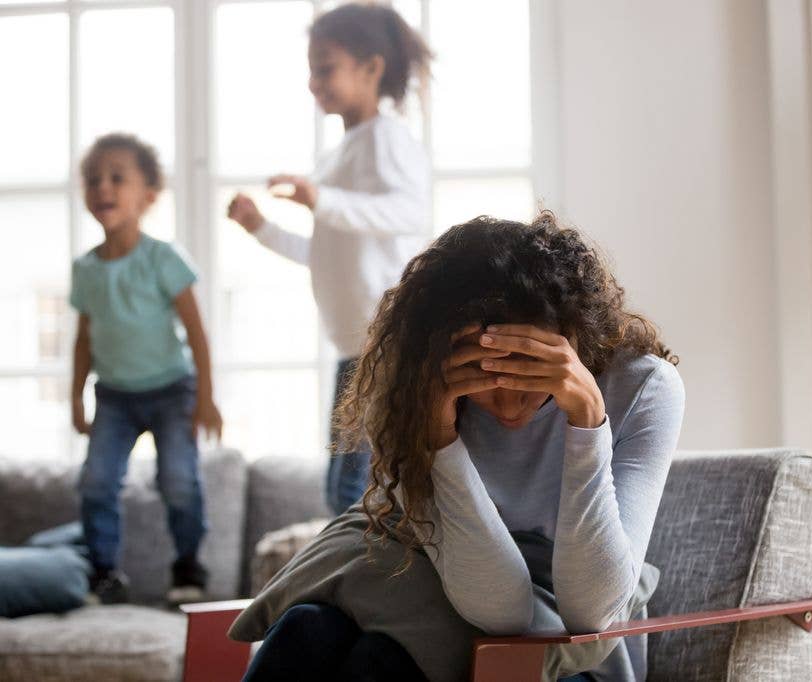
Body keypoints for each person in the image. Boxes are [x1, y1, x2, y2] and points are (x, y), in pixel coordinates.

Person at [233, 213, 686, 681]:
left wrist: (587, 421)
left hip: (572, 648)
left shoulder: (642, 387)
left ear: (571, 338)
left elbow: (590, 613)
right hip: (440, 574)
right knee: (307, 630)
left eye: (529, 373)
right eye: (484, 378)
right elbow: (501, 605)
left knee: (383, 659)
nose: (508, 405)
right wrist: (439, 439)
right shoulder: (412, 387)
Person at [226, 2, 432, 515]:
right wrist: (261, 228)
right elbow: (322, 255)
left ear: (371, 68)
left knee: (352, 489)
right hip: (353, 345)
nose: (314, 83)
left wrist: (321, 199)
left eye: (325, 69)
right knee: (342, 487)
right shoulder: (337, 155)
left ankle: (360, 564)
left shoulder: (386, 137)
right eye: (311, 71)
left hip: (387, 340)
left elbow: (409, 211)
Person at [70, 133, 222, 605]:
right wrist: (75, 397)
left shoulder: (163, 258)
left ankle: (188, 567)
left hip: (172, 391)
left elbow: (196, 332)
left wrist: (205, 398)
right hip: (114, 396)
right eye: (93, 179)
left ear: (148, 196)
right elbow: (83, 340)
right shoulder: (86, 270)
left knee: (178, 480)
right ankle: (103, 574)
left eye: (117, 178)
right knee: (96, 482)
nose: (103, 187)